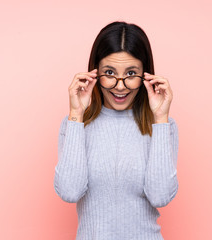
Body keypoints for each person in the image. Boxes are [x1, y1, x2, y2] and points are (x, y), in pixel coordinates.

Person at [54, 21, 179, 240]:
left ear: (146, 76)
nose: (119, 86)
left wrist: (160, 119)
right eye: (110, 72)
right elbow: (69, 191)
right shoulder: (74, 124)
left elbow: (160, 196)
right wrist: (76, 113)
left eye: (131, 73)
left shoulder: (163, 127)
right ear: (95, 73)